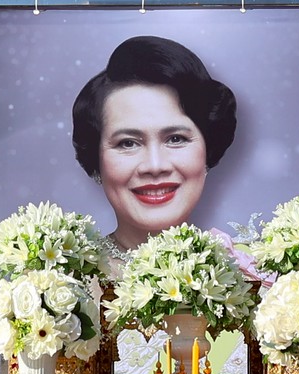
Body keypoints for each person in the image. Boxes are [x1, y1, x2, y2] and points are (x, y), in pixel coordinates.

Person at [71, 34, 237, 248]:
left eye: (176, 139)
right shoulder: (55, 270)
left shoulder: (249, 267)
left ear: (209, 151)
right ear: (96, 162)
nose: (155, 166)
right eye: (128, 143)